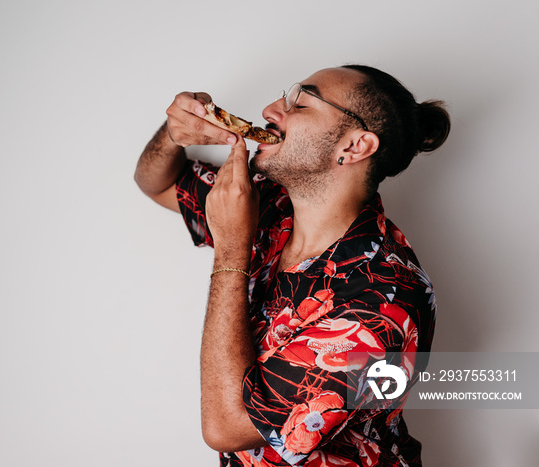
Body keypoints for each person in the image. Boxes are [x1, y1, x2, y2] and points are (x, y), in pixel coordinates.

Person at [134, 65, 450, 466]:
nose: (270, 110)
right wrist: (174, 133)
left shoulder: (385, 301)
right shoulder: (268, 203)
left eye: (300, 103)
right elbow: (157, 182)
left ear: (355, 146)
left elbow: (225, 428)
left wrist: (231, 247)